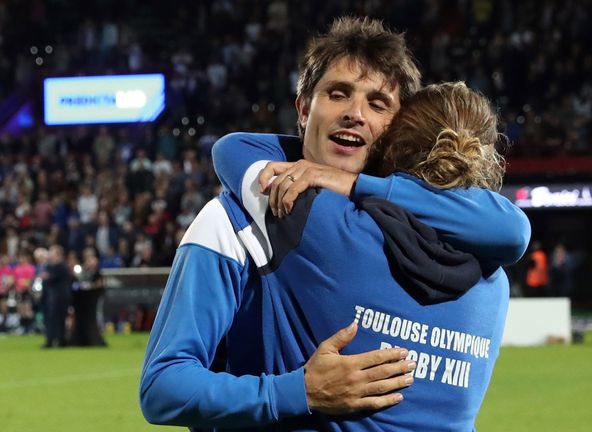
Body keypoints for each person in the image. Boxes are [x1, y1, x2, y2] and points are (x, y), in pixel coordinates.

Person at [141, 17, 529, 429]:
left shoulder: (286, 219)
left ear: (395, 132)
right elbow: (166, 384)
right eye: (337, 94)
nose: (355, 114)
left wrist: (296, 393)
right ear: (304, 108)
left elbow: (234, 149)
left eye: (378, 104)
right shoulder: (491, 273)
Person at [42, 245, 71, 348]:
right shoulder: (50, 266)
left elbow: (52, 279)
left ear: (58, 254)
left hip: (60, 297)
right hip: (51, 297)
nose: (50, 255)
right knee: (51, 319)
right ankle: (51, 340)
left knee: (60, 319)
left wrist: (47, 277)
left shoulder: (62, 266)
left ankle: (60, 340)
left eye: (52, 253)